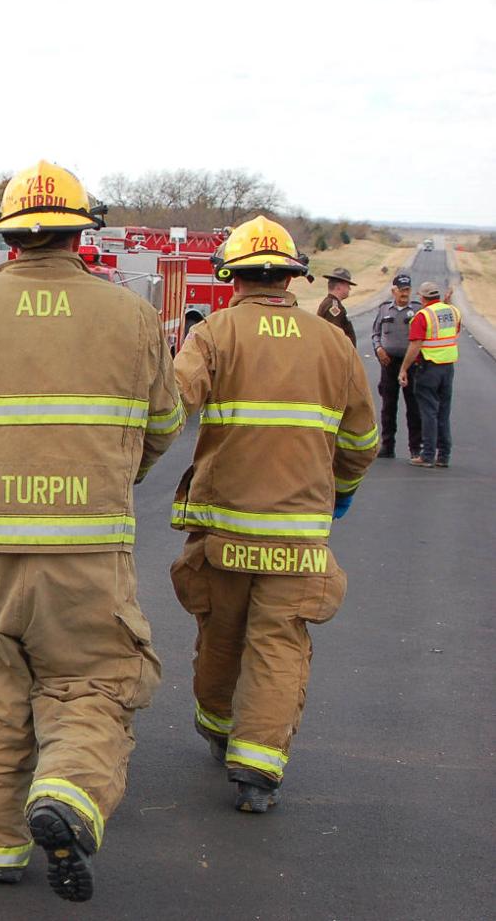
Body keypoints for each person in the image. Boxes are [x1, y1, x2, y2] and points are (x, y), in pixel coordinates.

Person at [0, 161, 182, 902]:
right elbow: (164, 425)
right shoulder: (131, 316)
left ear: (9, 235)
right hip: (87, 551)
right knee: (89, 682)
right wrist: (112, 473)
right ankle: (69, 791)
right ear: (83, 231)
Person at [169, 215, 378, 815]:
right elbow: (362, 440)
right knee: (279, 645)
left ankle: (217, 728)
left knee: (221, 633)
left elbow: (172, 404)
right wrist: (339, 487)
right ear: (292, 277)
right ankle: (257, 773)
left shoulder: (214, 333)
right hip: (299, 537)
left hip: (225, 532)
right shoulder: (333, 344)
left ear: (231, 275)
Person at [399, 280, 461, 468]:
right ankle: (443, 455)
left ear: (423, 297)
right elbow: (454, 331)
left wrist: (403, 368)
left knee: (428, 412)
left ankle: (427, 455)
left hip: (429, 367)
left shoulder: (423, 315)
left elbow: (415, 344)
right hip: (448, 367)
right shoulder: (453, 311)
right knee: (443, 412)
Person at [369, 273, 423, 458]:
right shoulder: (384, 310)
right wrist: (378, 349)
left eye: (407, 290)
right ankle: (387, 445)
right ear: (394, 290)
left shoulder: (417, 309)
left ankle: (415, 447)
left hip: (411, 365)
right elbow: (375, 333)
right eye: (401, 290)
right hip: (389, 363)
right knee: (388, 406)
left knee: (414, 406)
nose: (405, 294)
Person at [315, 267, 357, 344]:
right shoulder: (334, 307)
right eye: (347, 286)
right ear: (339, 287)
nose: (349, 289)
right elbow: (335, 337)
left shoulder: (328, 303)